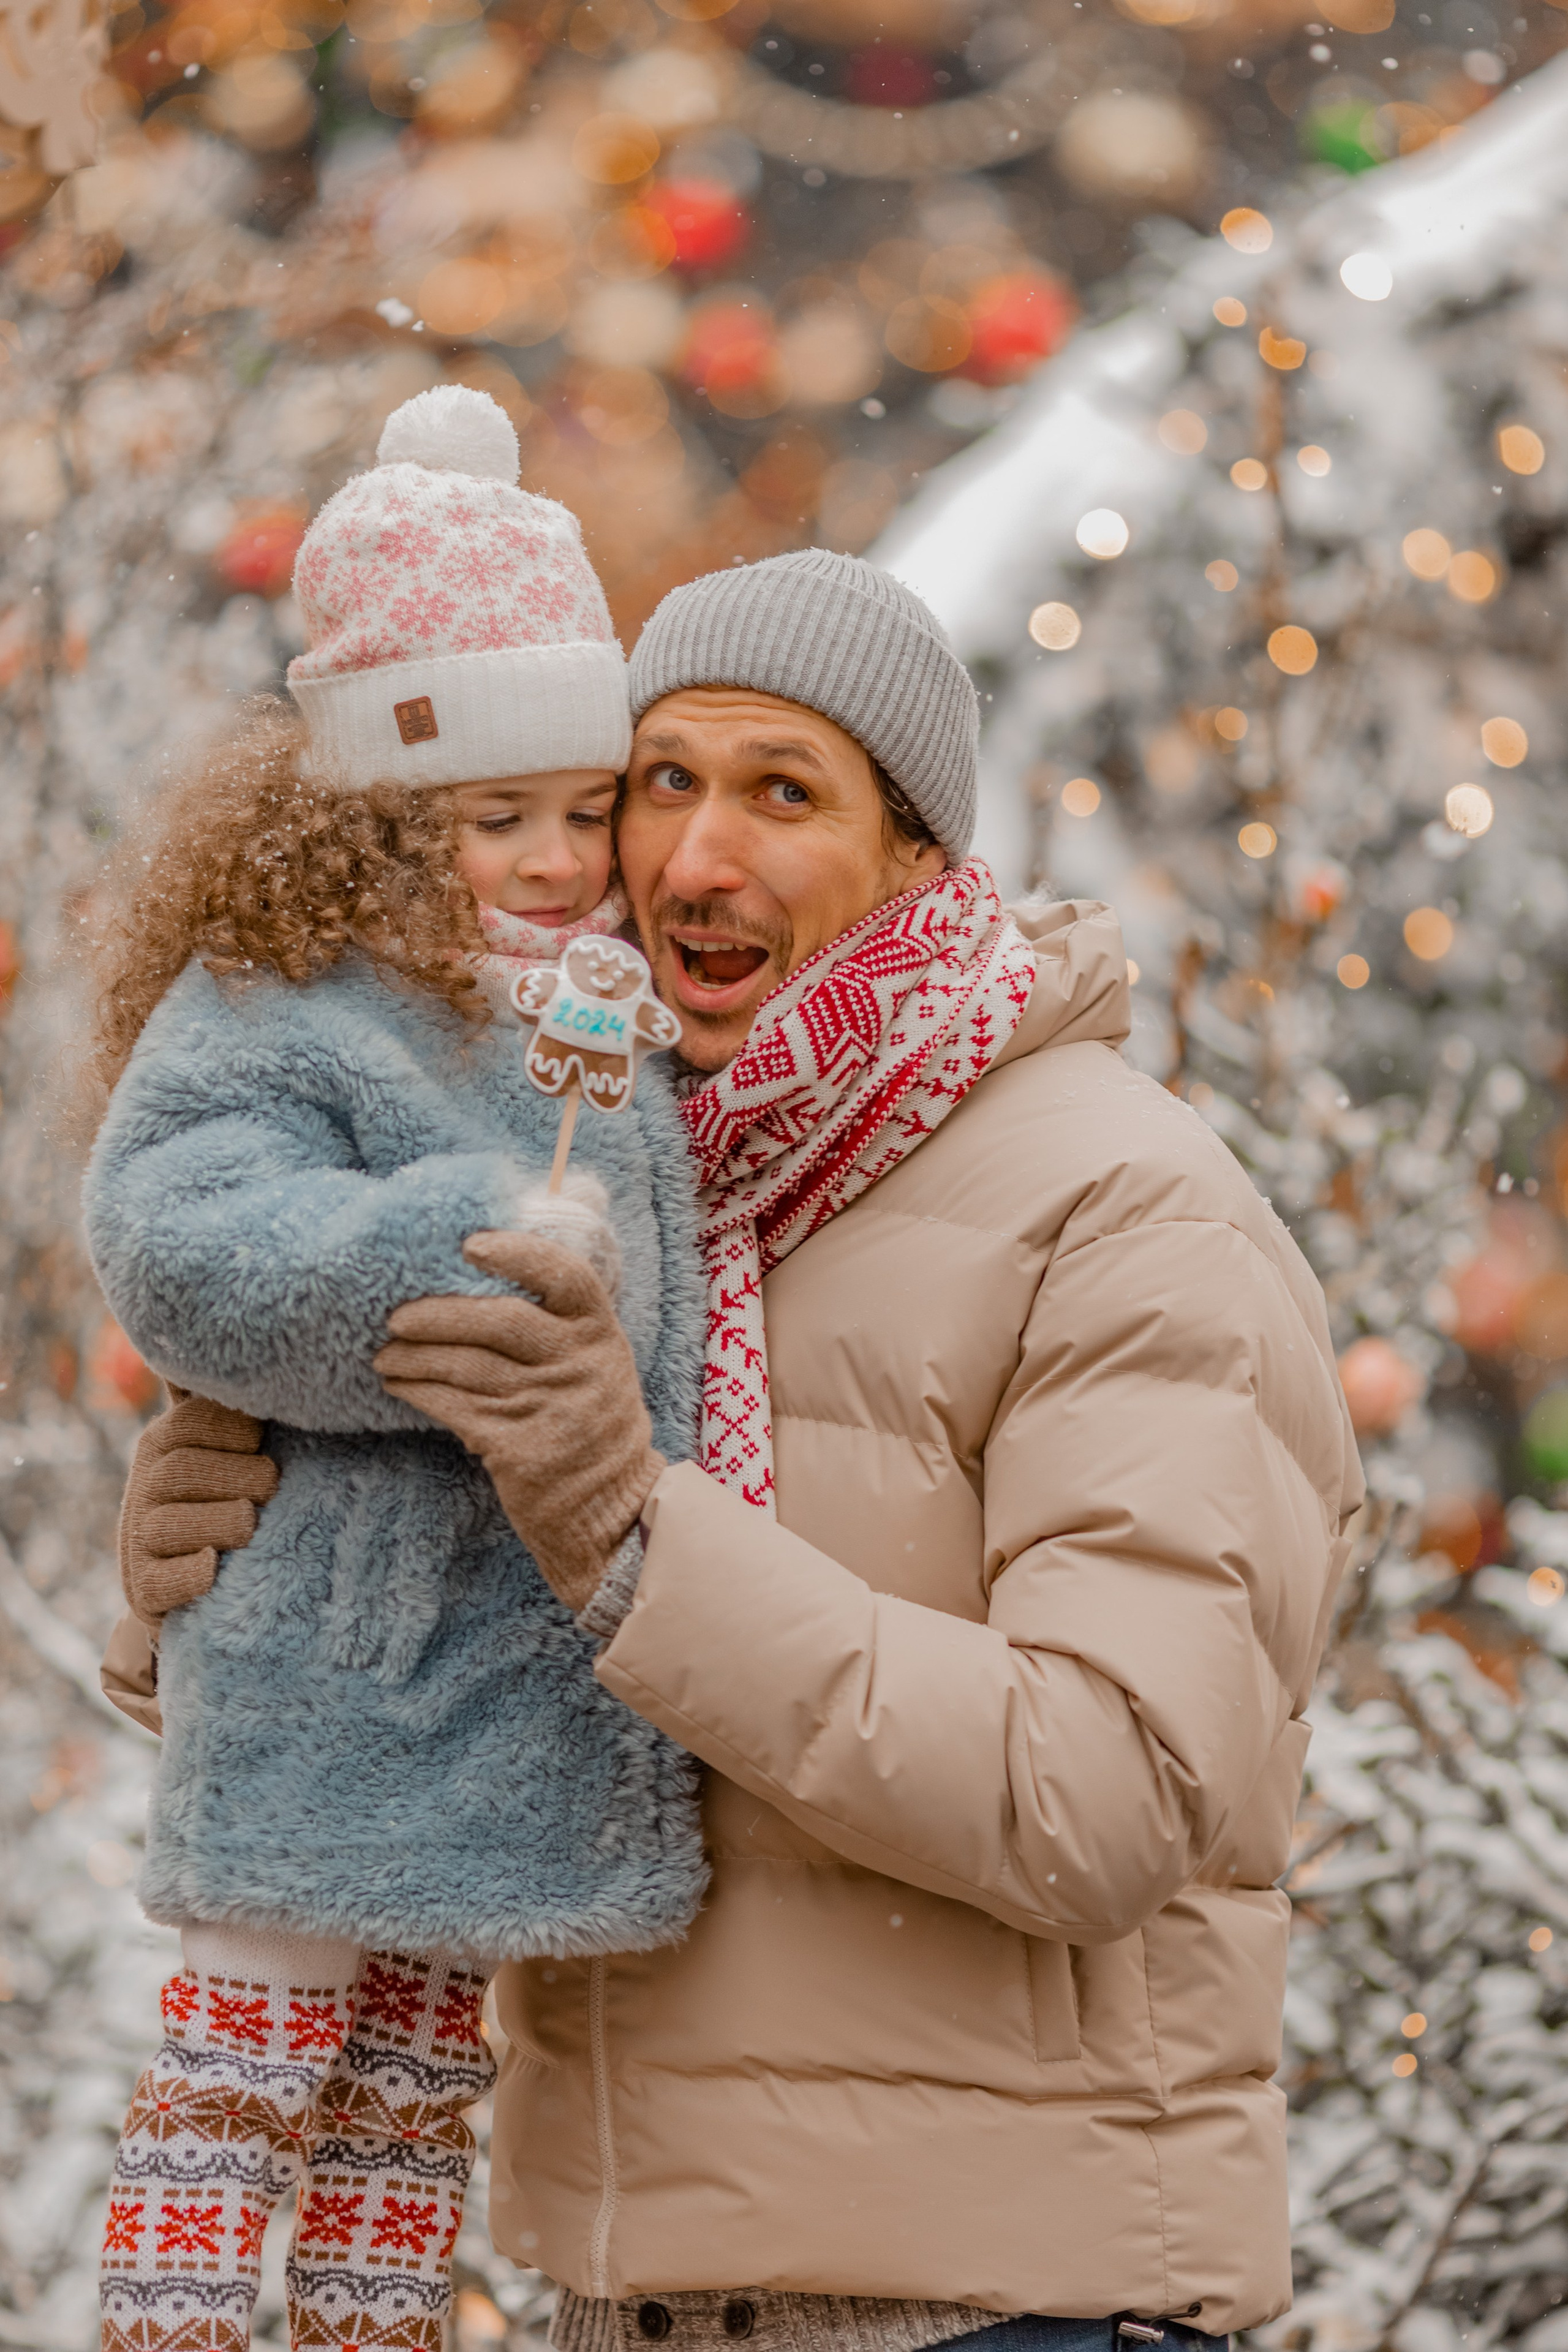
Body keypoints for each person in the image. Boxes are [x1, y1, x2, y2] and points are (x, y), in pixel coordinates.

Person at [111, 549, 1363, 2352]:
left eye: (785, 791)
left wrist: (630, 1529)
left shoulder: (1130, 1210)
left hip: (998, 2312)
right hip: (632, 2302)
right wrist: (233, 1545)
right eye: (662, 786)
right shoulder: (622, 1184)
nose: (697, 859)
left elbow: (1110, 1797)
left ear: (920, 854)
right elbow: (473, 1705)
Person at [85, 385, 707, 2352]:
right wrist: (443, 1258)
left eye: (577, 806)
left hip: (510, 1670)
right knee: (241, 2079)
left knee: (413, 2100)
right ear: (368, 815)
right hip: (326, 1649)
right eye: (485, 819)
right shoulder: (282, 994)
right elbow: (181, 1235)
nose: (547, 857)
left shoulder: (615, 1010)